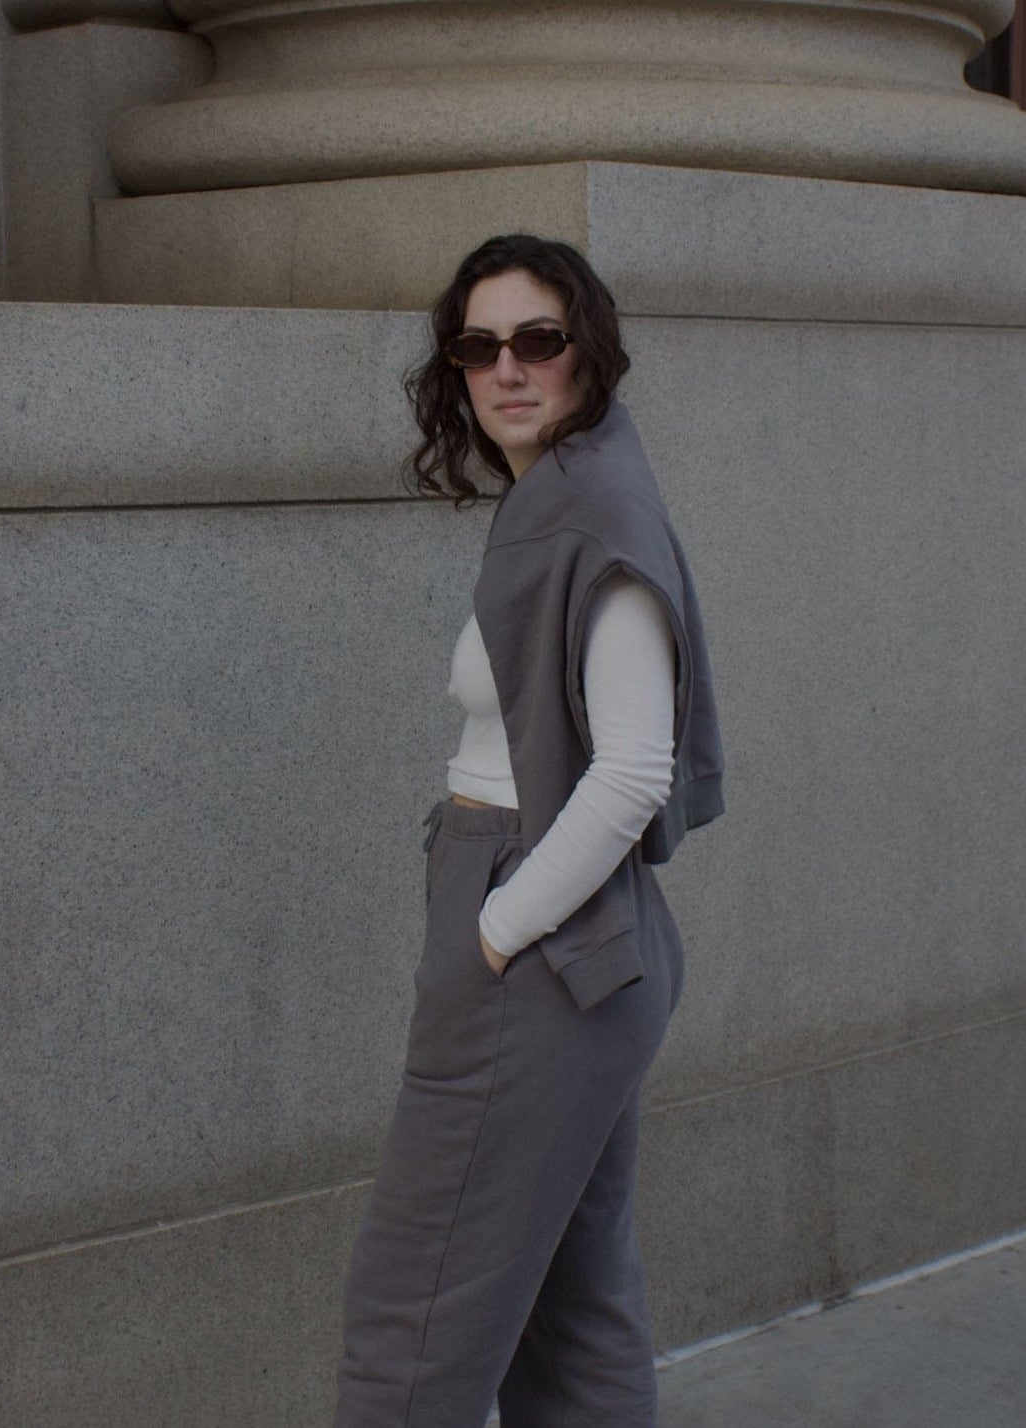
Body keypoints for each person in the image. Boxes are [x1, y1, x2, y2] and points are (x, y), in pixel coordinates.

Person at [333, 234, 726, 1428]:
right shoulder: (584, 490)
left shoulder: (582, 518)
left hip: (539, 945)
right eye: (477, 346)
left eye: (538, 341)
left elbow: (632, 769)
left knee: (413, 1318)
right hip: (585, 953)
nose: (507, 369)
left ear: (585, 353)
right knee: (573, 1311)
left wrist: (494, 930)